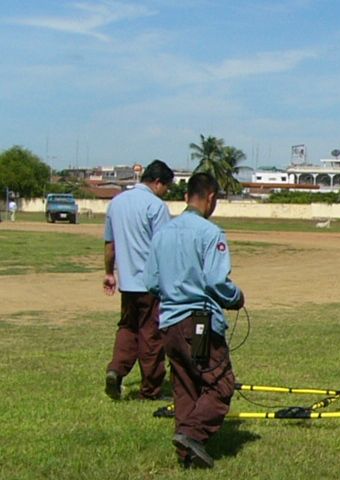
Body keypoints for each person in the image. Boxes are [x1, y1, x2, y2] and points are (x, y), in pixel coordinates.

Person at [144, 172, 244, 469]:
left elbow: (151, 282)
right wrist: (235, 296)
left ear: (187, 196)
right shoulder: (210, 233)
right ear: (211, 198)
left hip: (168, 323)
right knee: (221, 383)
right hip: (198, 321)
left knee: (185, 385)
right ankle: (191, 434)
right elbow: (216, 280)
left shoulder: (162, 234)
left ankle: (186, 455)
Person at [103, 159, 174, 400]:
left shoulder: (116, 203)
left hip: (127, 282)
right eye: (167, 187)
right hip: (150, 283)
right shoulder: (156, 207)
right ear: (157, 183)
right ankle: (151, 390)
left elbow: (110, 245)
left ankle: (115, 370)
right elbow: (164, 247)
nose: (166, 193)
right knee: (151, 335)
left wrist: (109, 273)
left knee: (127, 328)